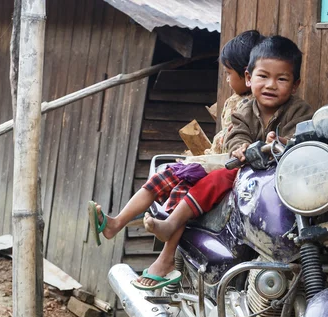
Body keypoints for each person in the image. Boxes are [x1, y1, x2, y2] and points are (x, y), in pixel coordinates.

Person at [88, 30, 266, 290]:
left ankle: (165, 257)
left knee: (182, 192)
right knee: (162, 176)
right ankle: (116, 223)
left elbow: (236, 145)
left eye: (229, 74)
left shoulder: (253, 106)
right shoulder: (234, 101)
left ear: (246, 75)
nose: (227, 80)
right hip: (210, 162)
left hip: (223, 169)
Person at [144, 35, 314, 245]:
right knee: (215, 179)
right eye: (263, 76)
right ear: (249, 78)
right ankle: (171, 224)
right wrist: (240, 147)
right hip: (245, 172)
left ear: (295, 85)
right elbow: (237, 134)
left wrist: (282, 140)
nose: (271, 85)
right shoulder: (243, 110)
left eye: (282, 79)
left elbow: (299, 137)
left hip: (281, 176)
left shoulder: (299, 110)